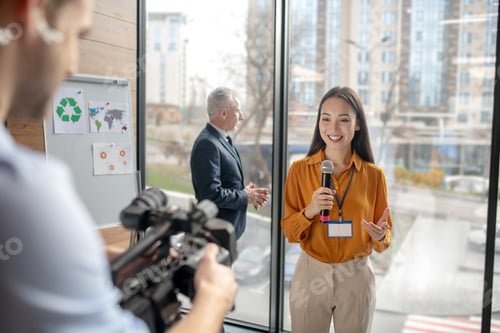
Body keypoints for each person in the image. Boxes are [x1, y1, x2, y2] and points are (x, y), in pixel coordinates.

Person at [0, 1, 237, 333]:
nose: (71, 67)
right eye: (76, 36)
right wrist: (213, 299)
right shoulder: (24, 191)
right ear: (31, 14)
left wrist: (94, 258)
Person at [281, 86, 392, 333]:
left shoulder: (374, 176)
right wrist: (310, 210)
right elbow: (289, 232)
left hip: (356, 277)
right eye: (326, 119)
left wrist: (380, 235)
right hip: (311, 274)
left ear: (357, 125)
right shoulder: (299, 171)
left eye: (344, 120)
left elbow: (384, 239)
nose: (333, 128)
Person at [190, 87, 270, 240]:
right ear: (224, 113)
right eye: (238, 111)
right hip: (215, 236)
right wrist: (245, 196)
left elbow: (224, 184)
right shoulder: (207, 144)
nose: (242, 117)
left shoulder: (223, 139)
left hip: (226, 235)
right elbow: (210, 194)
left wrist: (245, 192)